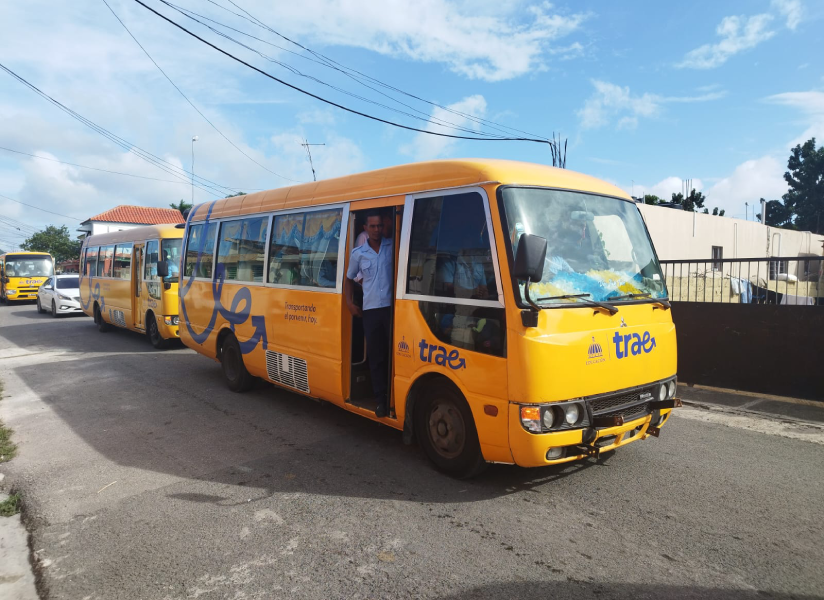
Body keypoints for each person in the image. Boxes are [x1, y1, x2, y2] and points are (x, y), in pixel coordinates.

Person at [345, 209, 393, 418]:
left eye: (379, 226)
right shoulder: (358, 254)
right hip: (371, 311)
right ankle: (380, 401)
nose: (376, 230)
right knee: (376, 357)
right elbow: (349, 278)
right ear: (365, 228)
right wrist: (349, 303)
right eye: (372, 226)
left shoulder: (392, 248)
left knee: (393, 354)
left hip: (391, 310)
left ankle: (393, 397)